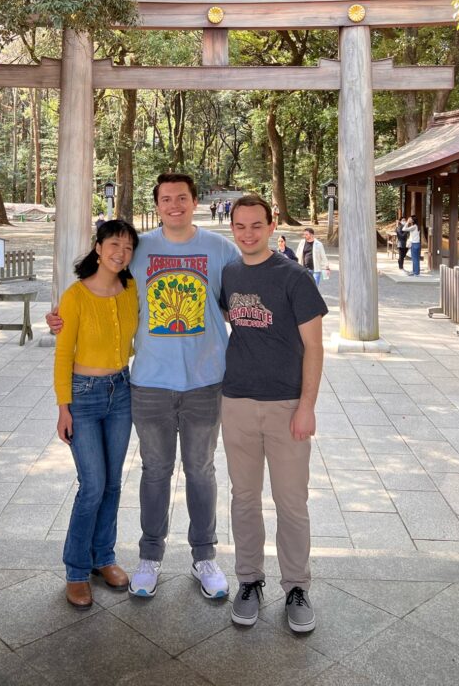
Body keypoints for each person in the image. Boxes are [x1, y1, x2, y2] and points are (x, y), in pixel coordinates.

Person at [48, 173, 240, 602]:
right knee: (153, 473)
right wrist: (62, 315)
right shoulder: (140, 250)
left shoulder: (220, 249)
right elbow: (101, 290)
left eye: (182, 198)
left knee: (201, 471)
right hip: (149, 384)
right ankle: (149, 558)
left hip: (206, 382)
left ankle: (204, 556)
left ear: (195, 202)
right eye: (166, 199)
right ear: (157, 205)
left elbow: (242, 299)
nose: (175, 205)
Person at [221, 196, 326, 633]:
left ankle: (297, 587)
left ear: (271, 226)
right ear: (233, 228)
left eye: (256, 225)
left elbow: (315, 348)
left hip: (286, 407)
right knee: (244, 499)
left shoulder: (295, 278)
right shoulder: (228, 273)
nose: (248, 233)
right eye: (240, 226)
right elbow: (230, 321)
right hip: (237, 402)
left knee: (291, 503)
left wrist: (307, 407)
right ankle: (249, 581)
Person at [54, 218, 139, 609]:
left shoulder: (131, 288)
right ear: (99, 247)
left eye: (127, 248)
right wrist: (63, 408)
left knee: (113, 484)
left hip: (121, 391)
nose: (120, 254)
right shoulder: (76, 296)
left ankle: (103, 557)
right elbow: (62, 354)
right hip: (84, 397)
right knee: (92, 484)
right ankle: (76, 569)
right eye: (114, 246)